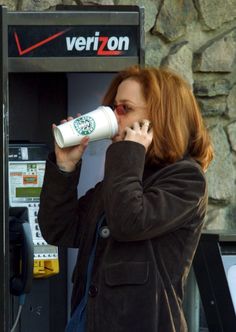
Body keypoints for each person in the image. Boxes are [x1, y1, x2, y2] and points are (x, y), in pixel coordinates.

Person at [38, 65, 214, 332]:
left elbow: (129, 222)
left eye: (124, 109)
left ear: (160, 116)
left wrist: (128, 152)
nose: (114, 116)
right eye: (112, 107)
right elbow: (60, 229)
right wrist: (65, 167)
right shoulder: (125, 176)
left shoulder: (185, 180)